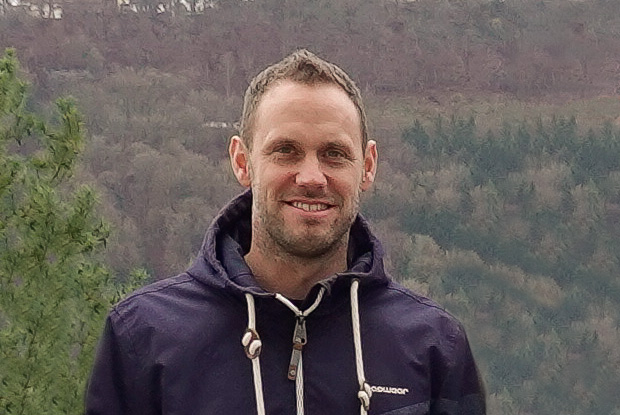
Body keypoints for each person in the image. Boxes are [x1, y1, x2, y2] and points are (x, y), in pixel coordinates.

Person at [85, 49, 486, 415]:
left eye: (334, 154)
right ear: (242, 161)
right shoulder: (145, 339)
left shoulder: (433, 347)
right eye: (286, 151)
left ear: (367, 166)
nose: (311, 177)